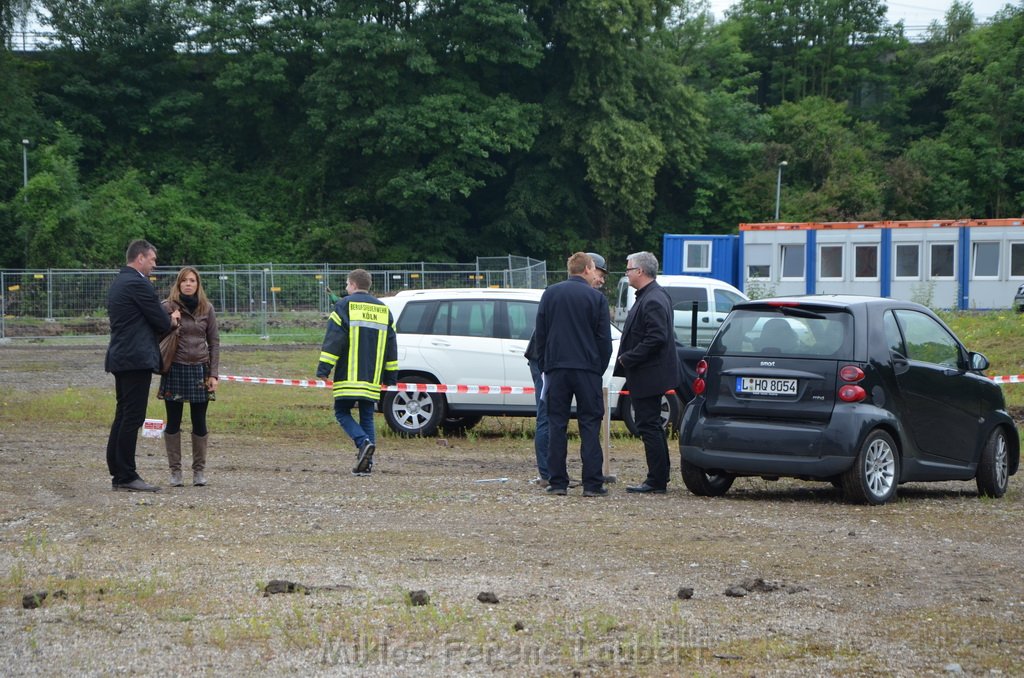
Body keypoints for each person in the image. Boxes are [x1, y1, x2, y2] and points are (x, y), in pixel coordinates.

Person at [525, 252, 609, 488]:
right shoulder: (596, 299)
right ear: (586, 269)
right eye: (594, 269)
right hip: (587, 369)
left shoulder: (550, 294)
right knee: (590, 425)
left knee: (556, 424)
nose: (596, 274)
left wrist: (545, 365)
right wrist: (597, 368)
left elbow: (540, 333)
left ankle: (557, 482)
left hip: (557, 369)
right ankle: (592, 484)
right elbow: (604, 340)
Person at [105, 239, 181, 492]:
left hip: (121, 357)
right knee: (133, 416)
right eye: (152, 260)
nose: (154, 265)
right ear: (140, 258)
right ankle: (126, 475)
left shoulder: (119, 282)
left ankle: (118, 471)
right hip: (136, 359)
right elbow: (161, 323)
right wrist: (172, 318)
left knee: (123, 414)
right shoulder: (138, 284)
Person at [316, 269, 398, 475]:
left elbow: (335, 340)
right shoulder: (384, 310)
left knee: (342, 412)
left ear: (352, 285)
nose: (345, 288)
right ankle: (366, 466)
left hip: (349, 376)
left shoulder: (344, 305)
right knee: (367, 416)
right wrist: (390, 377)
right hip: (372, 377)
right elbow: (391, 346)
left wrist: (324, 369)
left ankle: (363, 443)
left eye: (346, 284)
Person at [615, 251, 679, 495]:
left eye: (629, 269)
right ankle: (659, 476)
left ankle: (657, 480)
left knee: (649, 425)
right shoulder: (651, 295)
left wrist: (628, 358)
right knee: (650, 424)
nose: (627, 273)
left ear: (640, 271)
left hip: (649, 374)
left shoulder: (652, 299)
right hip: (649, 373)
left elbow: (656, 337)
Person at [158, 266, 220, 488]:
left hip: (199, 369)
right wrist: (170, 321)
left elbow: (214, 342)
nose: (188, 284)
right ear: (178, 284)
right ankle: (175, 472)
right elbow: (155, 334)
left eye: (192, 280)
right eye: (184, 280)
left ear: (198, 284)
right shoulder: (167, 307)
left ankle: (199, 471)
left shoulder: (207, 308)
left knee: (199, 420)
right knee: (173, 421)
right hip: (175, 368)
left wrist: (213, 374)